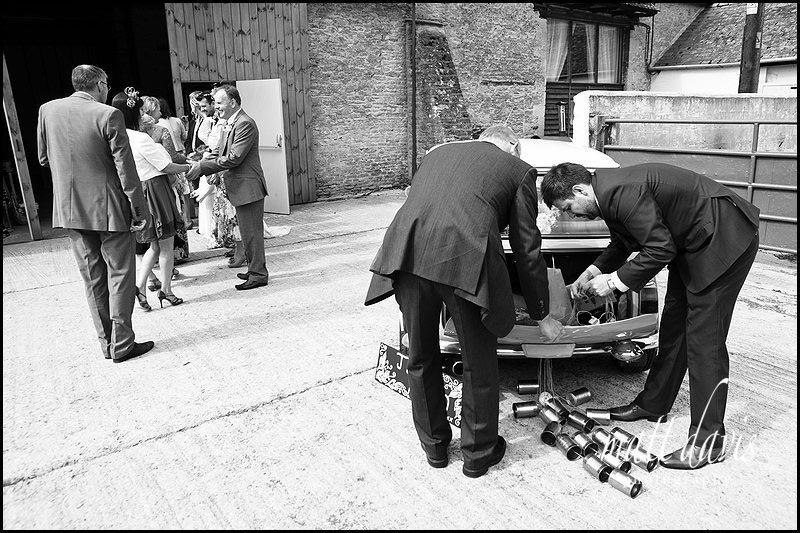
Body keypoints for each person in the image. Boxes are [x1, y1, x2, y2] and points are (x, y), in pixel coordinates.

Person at [364, 125, 564, 478]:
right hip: (466, 265)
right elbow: (526, 249)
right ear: (513, 147)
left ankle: (435, 449)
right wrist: (541, 315)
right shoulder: (518, 170)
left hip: (407, 256)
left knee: (421, 357)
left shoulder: (437, 154)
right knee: (478, 364)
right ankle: (478, 455)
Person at [540, 162, 760, 470]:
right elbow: (623, 242)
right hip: (692, 244)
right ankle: (653, 405)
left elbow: (659, 248)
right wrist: (591, 272)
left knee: (704, 342)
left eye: (568, 207)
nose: (571, 215)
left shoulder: (622, 191)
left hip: (722, 240)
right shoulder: (605, 193)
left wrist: (613, 282)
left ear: (579, 190)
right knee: (673, 329)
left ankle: (709, 442)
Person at [36, 64, 154, 363]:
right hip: (109, 208)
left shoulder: (47, 110)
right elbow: (126, 170)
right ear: (100, 84)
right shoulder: (107, 115)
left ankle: (107, 344)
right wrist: (139, 210)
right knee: (120, 276)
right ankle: (123, 344)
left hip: (70, 208)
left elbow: (42, 158)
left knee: (92, 277)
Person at [112, 87, 193, 310]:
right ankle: (166, 291)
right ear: (135, 114)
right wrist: (190, 167)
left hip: (139, 192)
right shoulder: (140, 139)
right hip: (156, 190)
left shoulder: (119, 138)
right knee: (165, 247)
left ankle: (139, 287)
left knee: (154, 247)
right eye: (141, 111)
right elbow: (166, 166)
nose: (145, 115)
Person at [186, 84, 270, 291]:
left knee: (252, 234)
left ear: (233, 102)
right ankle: (253, 269)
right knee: (247, 233)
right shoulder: (229, 122)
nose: (216, 106)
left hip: (248, 187)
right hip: (240, 187)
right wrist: (200, 159)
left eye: (219, 102)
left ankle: (259, 274)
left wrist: (202, 168)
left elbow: (234, 158)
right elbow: (220, 151)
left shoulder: (245, 123)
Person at [140, 96, 190, 265]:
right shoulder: (161, 130)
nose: (161, 112)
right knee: (174, 217)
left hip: (143, 183)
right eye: (158, 109)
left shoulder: (133, 133)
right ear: (151, 111)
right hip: (167, 179)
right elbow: (172, 157)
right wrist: (189, 162)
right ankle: (175, 255)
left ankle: (152, 259)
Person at [157, 96, 192, 230]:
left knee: (175, 190)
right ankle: (188, 219)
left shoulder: (157, 126)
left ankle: (179, 219)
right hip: (181, 153)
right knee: (186, 190)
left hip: (169, 159)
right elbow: (184, 137)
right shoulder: (177, 121)